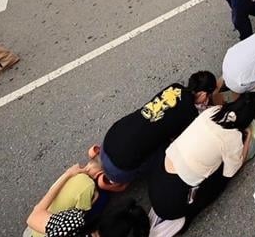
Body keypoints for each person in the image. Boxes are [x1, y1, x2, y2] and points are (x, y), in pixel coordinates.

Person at [148, 95, 255, 237]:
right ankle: (185, 218)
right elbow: (232, 171)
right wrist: (248, 136)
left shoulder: (212, 112)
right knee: (220, 180)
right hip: (171, 206)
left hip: (156, 178)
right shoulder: (233, 137)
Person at [89, 72, 217, 188]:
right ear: (204, 94)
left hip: (110, 140)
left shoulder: (175, 87)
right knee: (168, 148)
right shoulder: (191, 113)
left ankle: (102, 168)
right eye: (207, 97)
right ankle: (114, 180)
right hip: (119, 169)